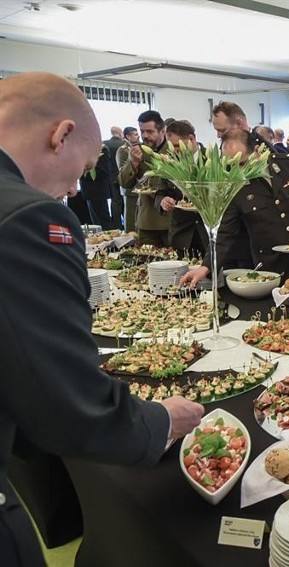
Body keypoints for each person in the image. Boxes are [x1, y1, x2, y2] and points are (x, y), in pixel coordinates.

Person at [0, 71, 203, 567]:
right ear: (61, 133)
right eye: (83, 168)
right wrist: (157, 421)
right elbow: (63, 398)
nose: (73, 188)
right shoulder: (29, 217)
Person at [182, 128, 289, 288]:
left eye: (242, 163)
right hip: (271, 269)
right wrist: (206, 266)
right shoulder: (233, 185)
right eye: (231, 165)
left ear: (256, 151)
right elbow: (224, 232)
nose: (238, 171)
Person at [153, 119, 208, 258]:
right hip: (181, 235)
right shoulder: (170, 162)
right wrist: (163, 201)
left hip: (207, 233)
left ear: (191, 138)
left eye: (177, 145)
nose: (175, 151)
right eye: (171, 147)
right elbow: (160, 192)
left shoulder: (213, 159)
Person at [119, 110, 171, 245]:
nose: (145, 136)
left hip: (170, 220)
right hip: (146, 220)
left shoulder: (173, 150)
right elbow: (124, 183)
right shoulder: (137, 151)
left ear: (162, 130)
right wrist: (133, 164)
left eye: (150, 131)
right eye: (142, 132)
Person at [78, 144, 115, 229]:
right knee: (96, 222)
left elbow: (103, 170)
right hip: (90, 192)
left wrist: (81, 171)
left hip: (98, 192)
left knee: (103, 222)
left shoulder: (101, 150)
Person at [116, 126, 140, 232]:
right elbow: (122, 170)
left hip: (142, 190)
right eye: (135, 134)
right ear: (128, 136)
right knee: (131, 222)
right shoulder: (123, 151)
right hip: (131, 191)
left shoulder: (141, 148)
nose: (138, 136)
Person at [103, 126, 125, 228]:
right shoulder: (124, 144)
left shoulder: (104, 144)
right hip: (122, 176)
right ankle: (124, 222)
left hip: (109, 177)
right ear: (120, 133)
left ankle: (116, 225)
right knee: (123, 200)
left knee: (115, 201)